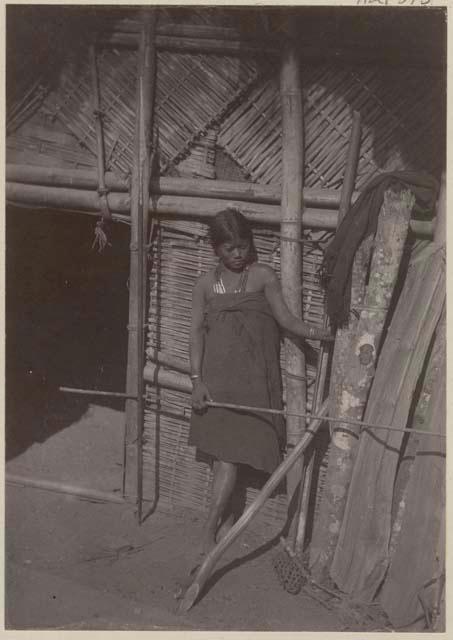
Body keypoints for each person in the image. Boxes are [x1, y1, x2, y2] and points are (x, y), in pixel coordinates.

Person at [187, 209, 332, 567]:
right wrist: (196, 381)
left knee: (230, 458)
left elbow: (285, 320)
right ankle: (210, 529)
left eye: (243, 246)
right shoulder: (206, 285)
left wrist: (320, 334)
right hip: (217, 385)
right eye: (229, 248)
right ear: (215, 249)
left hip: (252, 385)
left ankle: (215, 525)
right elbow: (195, 333)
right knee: (224, 458)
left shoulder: (262, 277)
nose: (238, 254)